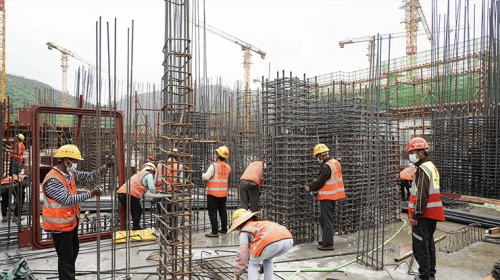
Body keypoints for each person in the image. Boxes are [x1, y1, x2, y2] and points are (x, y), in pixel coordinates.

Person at [41, 144, 114, 279]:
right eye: (74, 162)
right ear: (65, 160)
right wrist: (91, 193)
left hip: (70, 224)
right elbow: (68, 199)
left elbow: (90, 177)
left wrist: (106, 167)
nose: (75, 165)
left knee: (73, 253)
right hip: (59, 227)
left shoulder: (69, 174)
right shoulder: (53, 179)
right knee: (66, 259)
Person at [407, 137, 445, 280]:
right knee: (429, 246)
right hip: (431, 215)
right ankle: (430, 275)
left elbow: (422, 195)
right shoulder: (431, 167)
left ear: (422, 152)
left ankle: (424, 277)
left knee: (420, 249)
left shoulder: (422, 169)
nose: (411, 156)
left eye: (413, 152)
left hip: (423, 216)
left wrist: (415, 215)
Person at [229, 209, 293, 280]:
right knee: (268, 260)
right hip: (288, 240)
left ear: (239, 224)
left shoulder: (245, 230)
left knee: (253, 263)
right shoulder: (262, 222)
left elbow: (243, 254)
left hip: (271, 242)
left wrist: (237, 273)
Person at [305, 143, 345, 251]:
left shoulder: (326, 166)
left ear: (321, 155)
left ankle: (328, 244)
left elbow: (320, 182)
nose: (317, 159)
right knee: (326, 219)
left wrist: (310, 187)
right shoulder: (335, 162)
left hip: (327, 196)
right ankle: (326, 239)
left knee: (326, 220)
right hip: (333, 195)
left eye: (317, 156)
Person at [117, 162, 157, 230]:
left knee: (134, 211)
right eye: (153, 173)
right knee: (138, 210)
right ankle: (136, 229)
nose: (153, 175)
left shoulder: (138, 175)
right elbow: (152, 188)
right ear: (151, 170)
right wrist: (156, 195)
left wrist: (149, 200)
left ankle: (136, 227)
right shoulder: (148, 174)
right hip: (130, 194)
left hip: (121, 194)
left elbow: (142, 193)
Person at [202, 146, 230, 237]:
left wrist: (202, 174)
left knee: (212, 212)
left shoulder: (213, 166)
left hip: (213, 194)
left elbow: (206, 177)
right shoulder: (228, 167)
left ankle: (214, 232)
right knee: (222, 211)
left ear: (218, 156)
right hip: (223, 194)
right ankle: (224, 229)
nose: (215, 155)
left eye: (216, 153)